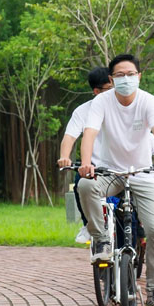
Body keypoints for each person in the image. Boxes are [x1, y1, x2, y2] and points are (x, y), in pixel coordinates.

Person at [79, 53, 154, 306]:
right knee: (85, 186)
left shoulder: (148, 101)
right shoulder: (102, 101)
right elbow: (90, 133)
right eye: (120, 75)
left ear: (139, 76)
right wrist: (86, 164)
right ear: (111, 79)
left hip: (142, 174)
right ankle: (100, 240)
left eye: (130, 74)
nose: (125, 79)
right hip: (110, 172)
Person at [57, 67, 113, 244]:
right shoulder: (83, 111)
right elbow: (69, 136)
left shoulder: (124, 107)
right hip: (93, 166)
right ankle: (88, 224)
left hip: (122, 165)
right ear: (96, 91)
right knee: (81, 184)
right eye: (109, 88)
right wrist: (64, 157)